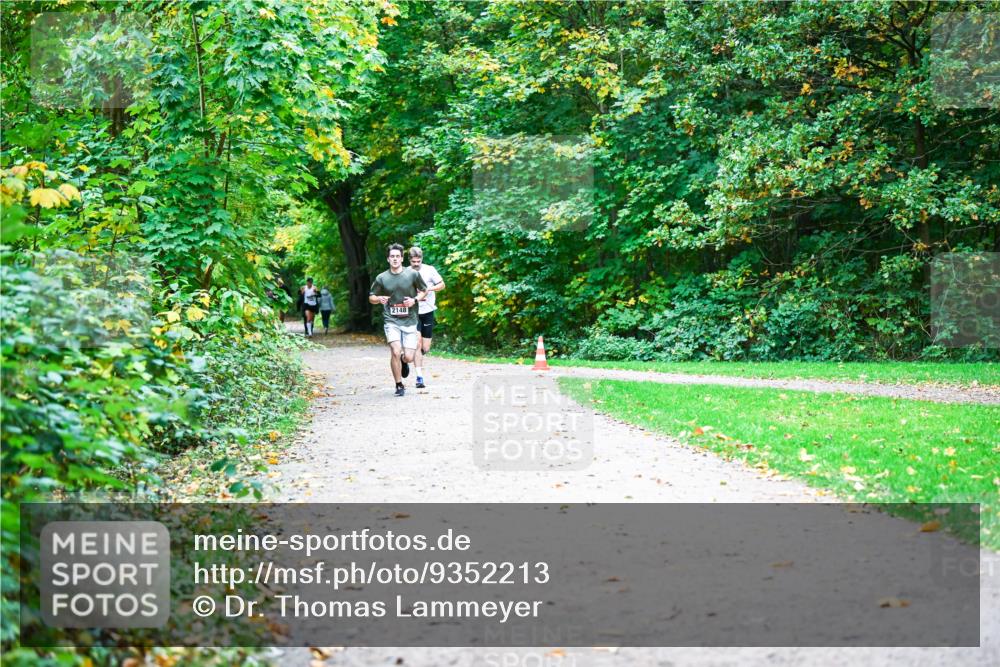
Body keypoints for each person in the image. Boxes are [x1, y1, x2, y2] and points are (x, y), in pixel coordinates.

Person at [369, 243, 427, 396]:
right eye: (392, 256)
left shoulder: (412, 274)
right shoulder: (381, 278)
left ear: (402, 259)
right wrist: (378, 298)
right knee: (395, 351)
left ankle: (403, 360)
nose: (395, 259)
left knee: (408, 357)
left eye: (397, 256)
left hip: (410, 320)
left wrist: (414, 300)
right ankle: (399, 384)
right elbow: (371, 297)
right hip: (391, 320)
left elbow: (424, 291)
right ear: (388, 259)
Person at [408, 246, 445, 389]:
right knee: (417, 344)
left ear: (422, 259)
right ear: (409, 260)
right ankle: (419, 377)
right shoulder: (405, 273)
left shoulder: (430, 270)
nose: (416, 264)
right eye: (413, 261)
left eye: (418, 261)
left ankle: (407, 359)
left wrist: (429, 289)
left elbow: (442, 285)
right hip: (413, 312)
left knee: (425, 347)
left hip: (428, 311)